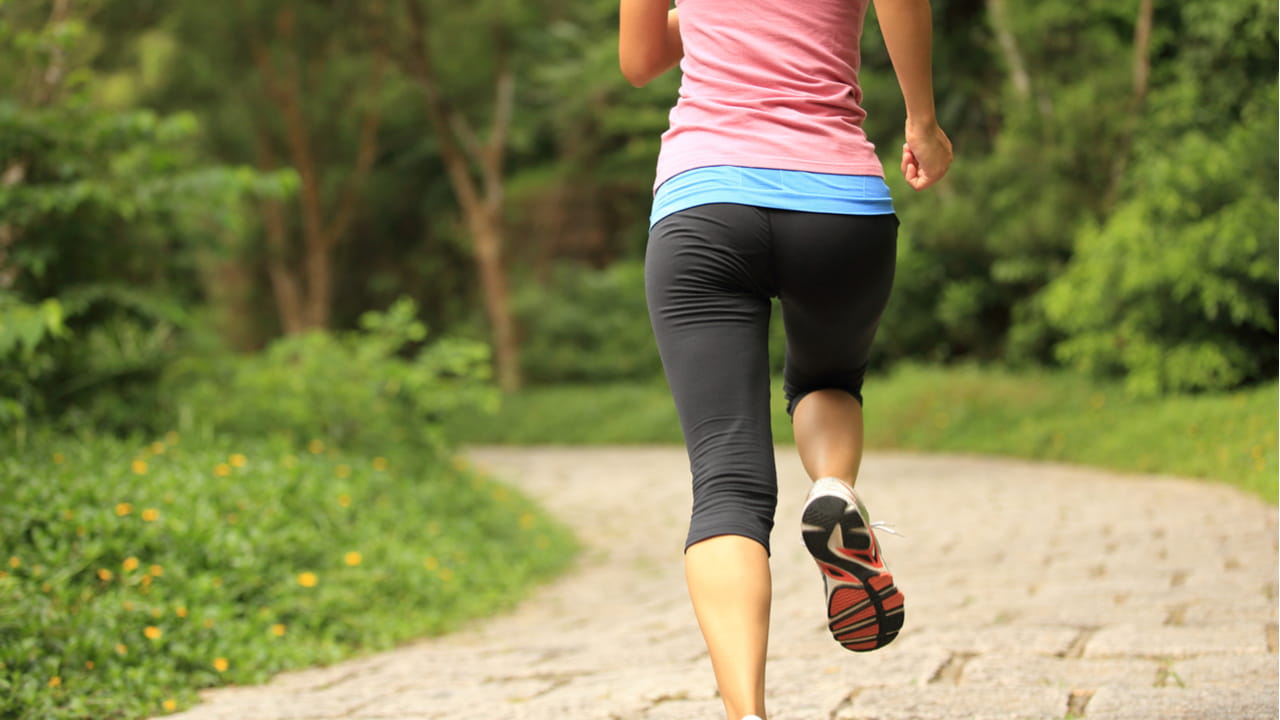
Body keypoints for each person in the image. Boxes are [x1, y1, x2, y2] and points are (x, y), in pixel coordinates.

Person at [618, 1, 952, 719]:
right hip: (840, 206)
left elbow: (640, 59)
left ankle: (747, 712)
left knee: (726, 482)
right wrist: (922, 121)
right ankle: (832, 485)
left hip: (704, 203)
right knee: (828, 381)